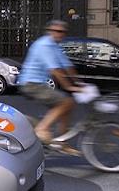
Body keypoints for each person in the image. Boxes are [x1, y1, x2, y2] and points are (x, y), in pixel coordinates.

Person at [19, 20, 82, 155]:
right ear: (50, 31)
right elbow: (55, 70)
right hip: (30, 84)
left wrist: (80, 83)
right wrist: (70, 87)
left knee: (67, 107)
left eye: (62, 32)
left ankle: (62, 143)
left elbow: (68, 66)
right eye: (56, 31)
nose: (60, 34)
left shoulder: (55, 46)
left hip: (39, 83)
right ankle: (41, 129)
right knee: (66, 102)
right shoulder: (45, 44)